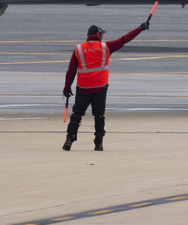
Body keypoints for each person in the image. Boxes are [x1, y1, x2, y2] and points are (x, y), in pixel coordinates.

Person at [63, 21, 148, 151]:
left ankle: (69, 139)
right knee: (99, 116)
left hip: (83, 88)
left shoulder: (79, 49)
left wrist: (67, 87)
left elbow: (71, 71)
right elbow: (124, 39)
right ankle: (99, 142)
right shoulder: (106, 47)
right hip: (100, 87)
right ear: (98, 35)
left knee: (77, 114)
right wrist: (140, 28)